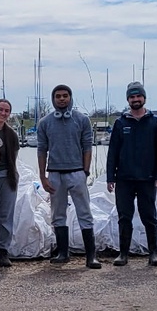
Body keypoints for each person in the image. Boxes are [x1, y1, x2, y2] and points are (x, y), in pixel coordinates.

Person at [37, 84, 101, 269]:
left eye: (65, 95)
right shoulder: (45, 122)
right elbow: (42, 150)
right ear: (53, 99)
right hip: (55, 174)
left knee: (84, 213)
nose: (62, 99)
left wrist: (85, 171)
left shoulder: (82, 120)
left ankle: (91, 256)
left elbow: (87, 146)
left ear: (70, 97)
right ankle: (63, 253)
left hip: (76, 172)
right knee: (57, 214)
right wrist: (43, 176)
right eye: (58, 96)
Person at [107, 81, 157, 266]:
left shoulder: (155, 122)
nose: (135, 99)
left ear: (144, 98)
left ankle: (153, 254)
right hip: (124, 179)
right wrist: (110, 177)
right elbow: (113, 152)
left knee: (149, 216)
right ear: (128, 100)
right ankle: (123, 254)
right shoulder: (120, 123)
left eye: (138, 96)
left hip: (147, 178)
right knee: (124, 216)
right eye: (132, 97)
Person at [0, 98, 21, 268]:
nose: (3, 113)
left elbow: (13, 158)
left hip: (8, 178)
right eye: (0, 109)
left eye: (7, 111)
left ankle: (3, 250)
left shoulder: (11, 134)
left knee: (6, 216)